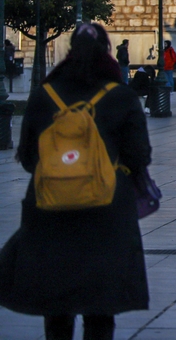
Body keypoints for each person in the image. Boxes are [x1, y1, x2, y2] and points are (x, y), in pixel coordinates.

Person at [0, 23, 151, 340]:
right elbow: (139, 157)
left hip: (51, 210)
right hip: (107, 211)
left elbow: (28, 158)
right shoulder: (121, 96)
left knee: (56, 305)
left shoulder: (45, 95)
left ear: (70, 51)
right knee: (100, 306)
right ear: (106, 51)